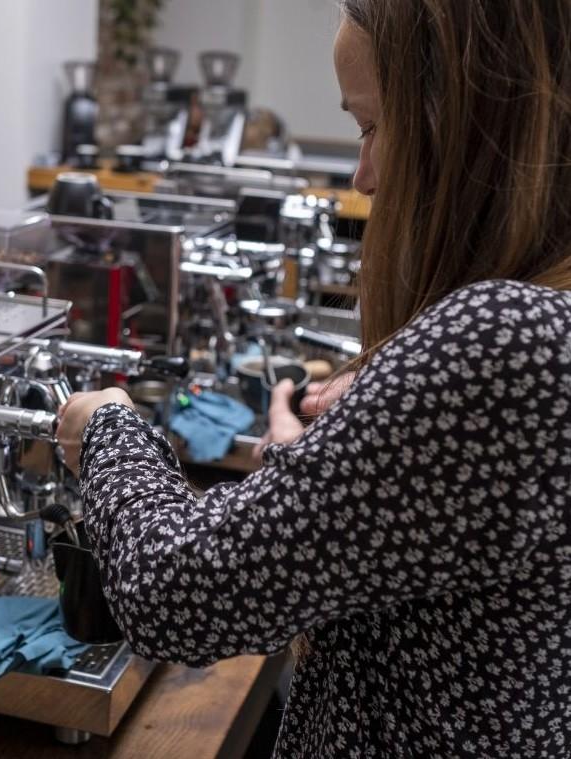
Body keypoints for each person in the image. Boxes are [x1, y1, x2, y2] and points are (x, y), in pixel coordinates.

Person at [57, 1, 571, 755]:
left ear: (464, 121)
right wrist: (337, 456)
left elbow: (174, 592)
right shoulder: (539, 323)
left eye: (369, 128)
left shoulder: (504, 338)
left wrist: (107, 428)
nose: (361, 176)